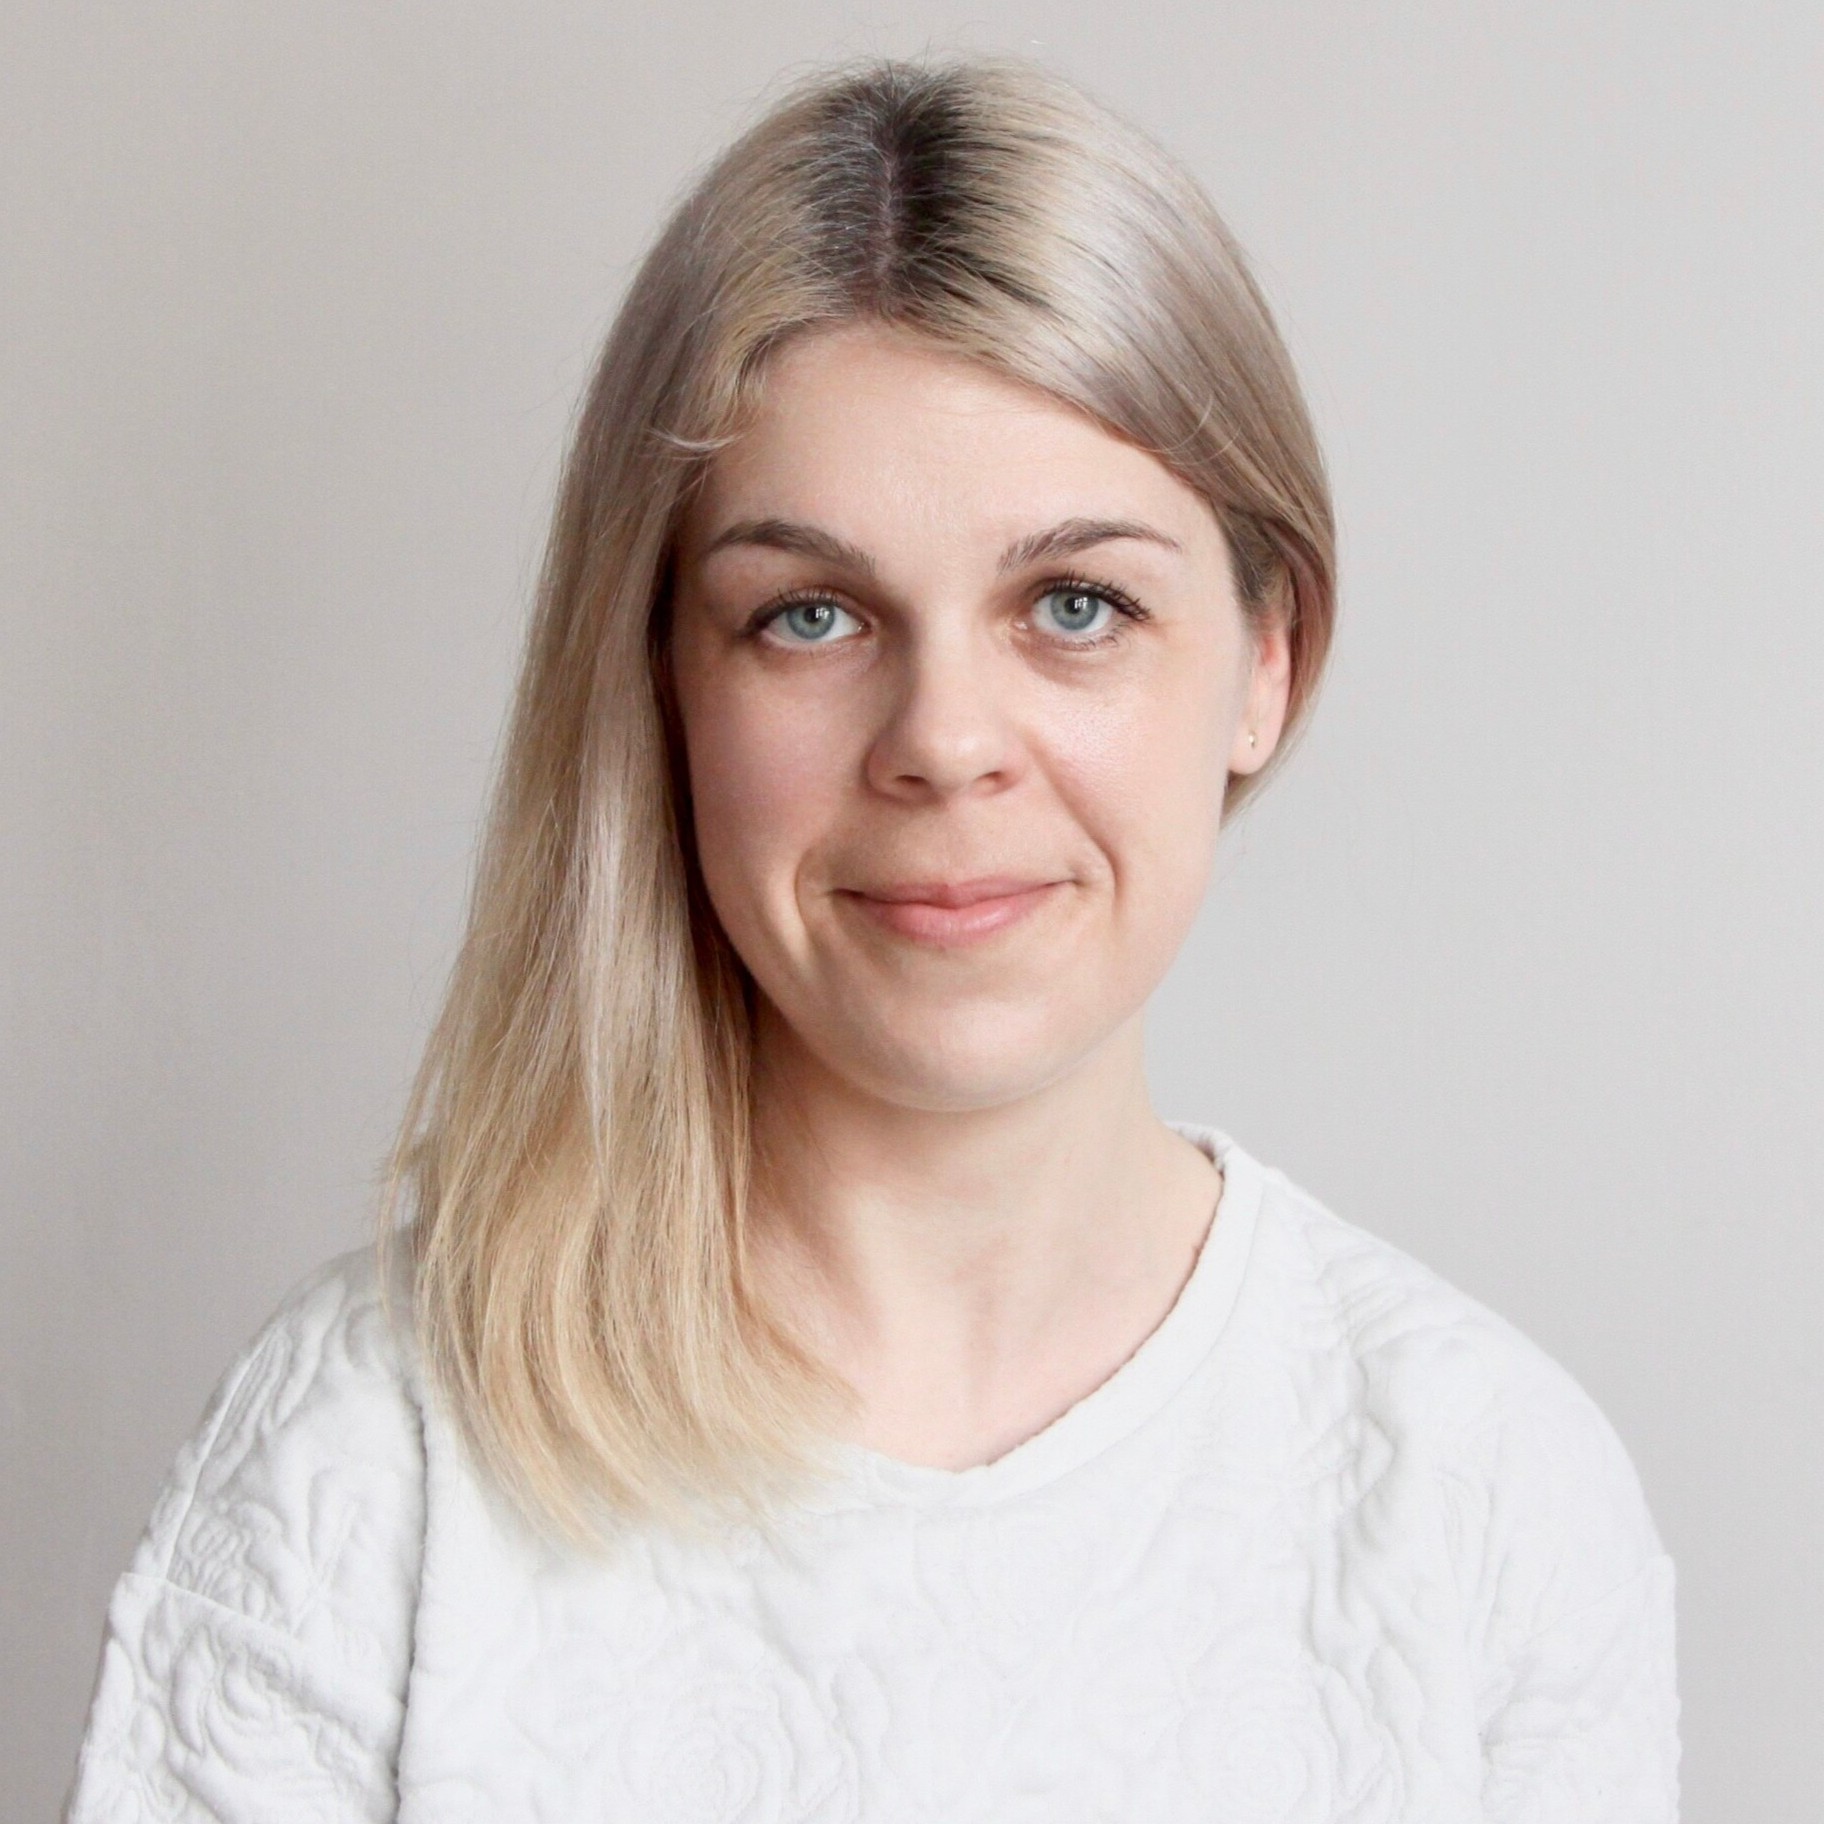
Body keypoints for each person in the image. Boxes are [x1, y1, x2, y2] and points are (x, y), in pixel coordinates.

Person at [64, 54, 1678, 1822]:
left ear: (1265, 659)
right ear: (661, 682)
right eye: (811, 616)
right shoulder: (369, 1461)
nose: (944, 741)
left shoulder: (1488, 1498)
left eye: (1078, 604)